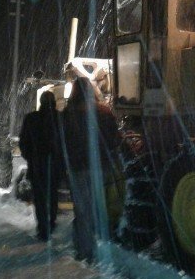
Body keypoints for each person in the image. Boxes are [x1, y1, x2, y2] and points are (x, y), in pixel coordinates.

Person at [61, 77, 121, 261]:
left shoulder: (67, 113)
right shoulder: (104, 111)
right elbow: (115, 140)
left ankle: (84, 250)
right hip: (100, 168)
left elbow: (62, 141)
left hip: (77, 167)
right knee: (95, 207)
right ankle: (90, 247)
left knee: (82, 209)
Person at [19, 91, 63, 241]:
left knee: (40, 198)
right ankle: (51, 223)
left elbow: (23, 143)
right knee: (52, 195)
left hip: (37, 166)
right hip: (55, 166)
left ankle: (43, 228)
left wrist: (31, 157)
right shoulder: (60, 118)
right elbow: (65, 143)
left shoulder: (31, 119)